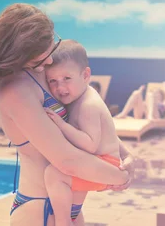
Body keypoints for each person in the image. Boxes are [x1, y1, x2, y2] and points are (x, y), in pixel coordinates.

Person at [0, 3, 135, 226]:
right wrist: (120, 176)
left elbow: (85, 120)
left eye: (52, 45)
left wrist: (125, 154)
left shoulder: (41, 71)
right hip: (41, 210)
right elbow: (66, 160)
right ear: (20, 52)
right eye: (41, 55)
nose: (50, 60)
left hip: (66, 206)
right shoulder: (15, 90)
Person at [41, 39, 122, 226]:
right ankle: (69, 218)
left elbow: (90, 144)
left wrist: (61, 124)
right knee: (74, 211)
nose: (60, 87)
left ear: (85, 75)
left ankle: (62, 222)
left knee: (54, 174)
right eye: (53, 81)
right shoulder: (82, 95)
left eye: (66, 79)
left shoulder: (88, 105)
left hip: (104, 163)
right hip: (95, 161)